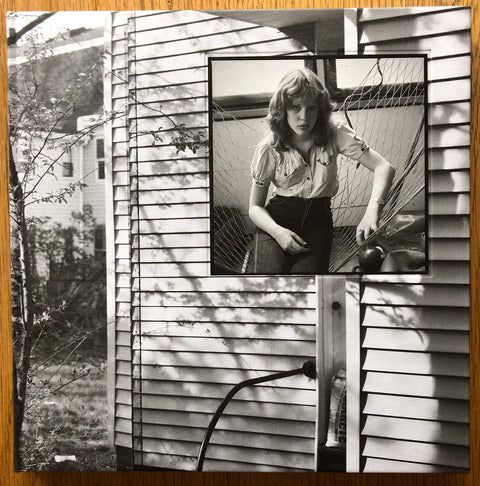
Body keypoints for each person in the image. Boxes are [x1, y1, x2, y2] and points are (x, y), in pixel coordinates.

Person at [248, 68, 395, 274]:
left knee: (308, 281)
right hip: (276, 221)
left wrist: (372, 211)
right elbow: (254, 207)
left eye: (312, 108)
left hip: (318, 222)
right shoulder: (269, 148)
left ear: (321, 109)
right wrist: (278, 232)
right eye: (295, 107)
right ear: (282, 108)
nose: (304, 117)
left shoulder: (335, 133)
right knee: (271, 279)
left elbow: (383, 167)